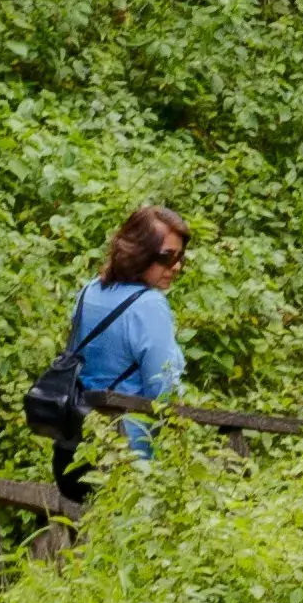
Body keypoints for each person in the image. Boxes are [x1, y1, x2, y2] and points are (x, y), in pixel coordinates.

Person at [47, 209, 191, 498]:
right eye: (167, 256)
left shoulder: (89, 291)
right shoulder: (149, 305)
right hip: (127, 459)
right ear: (139, 251)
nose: (175, 266)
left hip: (73, 452)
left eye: (180, 257)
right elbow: (163, 388)